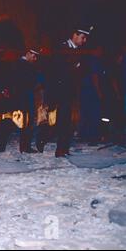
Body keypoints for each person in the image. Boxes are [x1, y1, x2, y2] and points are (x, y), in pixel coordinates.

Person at [52, 26, 91, 157]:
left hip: (72, 90)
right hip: (62, 90)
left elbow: (81, 70)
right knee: (63, 119)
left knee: (69, 121)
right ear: (75, 35)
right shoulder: (62, 47)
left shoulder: (79, 51)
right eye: (83, 37)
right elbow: (59, 69)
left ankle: (65, 148)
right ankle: (60, 149)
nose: (84, 40)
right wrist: (74, 66)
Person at [17, 48, 41, 153]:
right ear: (28, 54)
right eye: (34, 56)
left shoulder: (25, 65)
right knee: (26, 122)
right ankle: (25, 146)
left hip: (27, 96)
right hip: (25, 96)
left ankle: (25, 146)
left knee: (28, 121)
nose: (35, 59)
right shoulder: (21, 65)